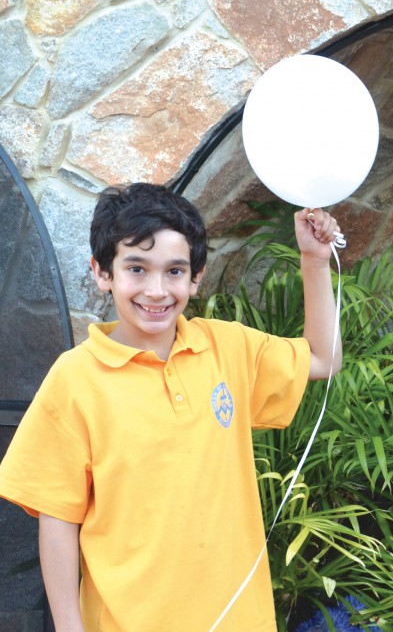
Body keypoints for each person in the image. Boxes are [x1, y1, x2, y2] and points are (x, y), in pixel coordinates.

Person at [0, 183, 343, 632]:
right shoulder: (75, 379)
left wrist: (315, 262)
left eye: (175, 270)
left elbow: (323, 358)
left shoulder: (228, 347)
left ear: (196, 276)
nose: (157, 290)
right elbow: (58, 520)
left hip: (237, 618)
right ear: (102, 273)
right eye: (137, 269)